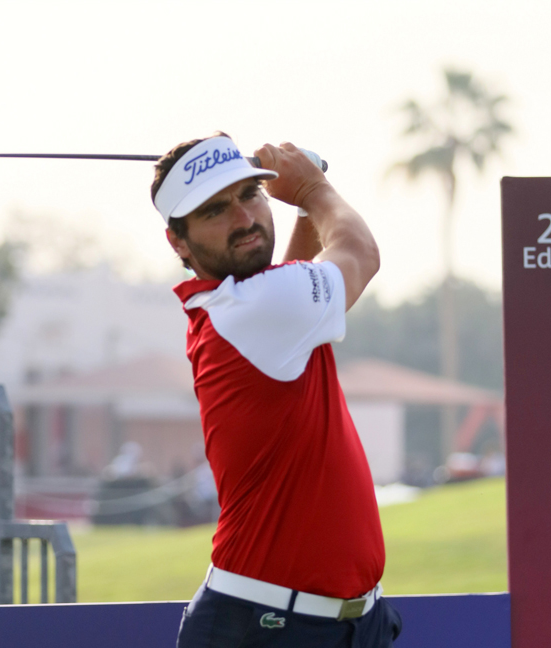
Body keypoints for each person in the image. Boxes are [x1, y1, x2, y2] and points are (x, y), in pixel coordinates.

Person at [151, 133, 402, 647]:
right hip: (269, 626)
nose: (243, 219)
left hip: (327, 623)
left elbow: (291, 281)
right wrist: (311, 188)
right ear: (178, 242)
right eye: (215, 210)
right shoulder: (252, 310)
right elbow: (361, 252)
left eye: (250, 194)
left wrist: (307, 214)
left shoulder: (239, 305)